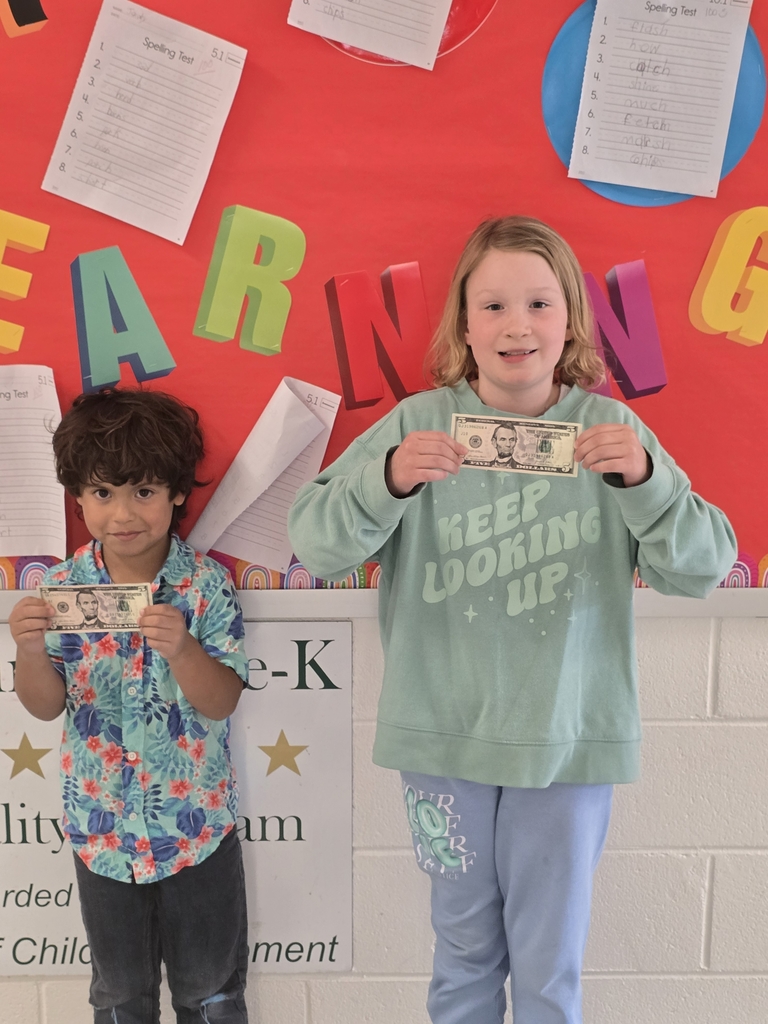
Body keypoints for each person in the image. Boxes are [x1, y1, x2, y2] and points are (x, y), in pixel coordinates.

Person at [288, 216, 736, 1024]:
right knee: (462, 955)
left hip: (565, 743)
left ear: (570, 321)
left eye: (538, 302)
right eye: (491, 305)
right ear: (464, 322)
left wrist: (646, 483)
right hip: (441, 739)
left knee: (548, 966)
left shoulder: (613, 431)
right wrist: (384, 480)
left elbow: (700, 567)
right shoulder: (419, 425)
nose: (516, 325)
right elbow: (315, 545)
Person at [9, 388, 250, 1024]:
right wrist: (30, 651)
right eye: (103, 492)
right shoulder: (60, 589)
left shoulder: (204, 586)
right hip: (102, 835)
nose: (124, 513)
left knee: (212, 994)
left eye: (144, 491)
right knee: (118, 997)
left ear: (176, 493)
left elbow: (223, 701)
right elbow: (42, 707)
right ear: (78, 496)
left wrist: (185, 652)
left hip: (196, 831)